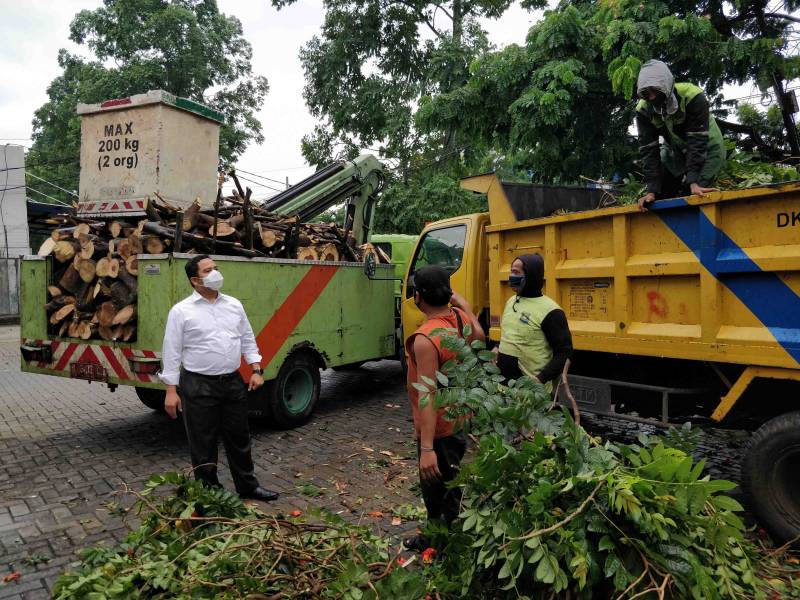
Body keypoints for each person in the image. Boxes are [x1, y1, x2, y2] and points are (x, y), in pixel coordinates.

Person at [160, 254, 279, 502]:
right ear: (195, 280)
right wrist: (171, 391)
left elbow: (247, 338)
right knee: (203, 442)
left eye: (216, 267)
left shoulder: (233, 305)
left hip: (232, 382)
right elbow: (171, 351)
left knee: (239, 436)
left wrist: (256, 369)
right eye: (207, 270)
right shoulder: (181, 311)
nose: (215, 273)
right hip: (198, 384)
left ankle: (248, 486)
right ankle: (210, 493)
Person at [403, 265, 485, 551]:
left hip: (438, 429)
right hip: (459, 418)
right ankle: (443, 538)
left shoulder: (426, 339)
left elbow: (427, 395)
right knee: (451, 483)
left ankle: (441, 545)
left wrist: (426, 449)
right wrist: (465, 306)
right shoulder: (459, 319)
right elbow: (479, 337)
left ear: (418, 297)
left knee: (435, 490)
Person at [635, 59, 725, 210]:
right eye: (646, 93)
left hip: (706, 148)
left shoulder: (692, 96)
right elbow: (648, 150)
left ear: (665, 85)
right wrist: (651, 190)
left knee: (694, 195)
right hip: (675, 150)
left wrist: (693, 181)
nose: (651, 97)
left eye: (654, 91)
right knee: (660, 194)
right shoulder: (643, 110)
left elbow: (697, 141)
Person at [496, 254, 572, 394]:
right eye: (511, 272)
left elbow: (564, 352)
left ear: (531, 275)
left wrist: (541, 379)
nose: (511, 276)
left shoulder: (551, 311)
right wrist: (497, 348)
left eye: (516, 272)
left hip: (531, 395)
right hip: (504, 390)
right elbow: (510, 334)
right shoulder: (511, 302)